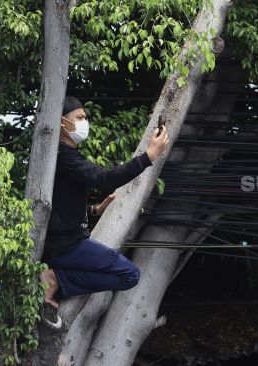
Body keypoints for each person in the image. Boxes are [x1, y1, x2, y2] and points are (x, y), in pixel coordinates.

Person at [39, 95, 169, 327]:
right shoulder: (63, 156)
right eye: (79, 118)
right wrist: (148, 156)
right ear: (61, 123)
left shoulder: (61, 156)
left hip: (64, 242)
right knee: (129, 275)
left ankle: (59, 277)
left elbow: (59, 203)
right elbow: (105, 179)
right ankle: (58, 279)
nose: (84, 122)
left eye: (85, 118)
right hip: (65, 246)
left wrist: (93, 210)